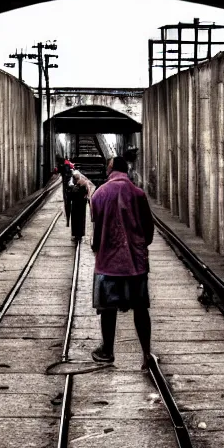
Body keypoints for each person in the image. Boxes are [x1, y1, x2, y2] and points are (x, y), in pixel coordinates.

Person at [90, 156, 154, 369]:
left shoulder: (99, 194)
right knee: (140, 308)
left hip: (109, 263)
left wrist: (98, 247)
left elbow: (97, 231)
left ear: (110, 169)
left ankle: (108, 350)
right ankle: (146, 353)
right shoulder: (138, 194)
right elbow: (149, 231)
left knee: (108, 309)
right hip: (136, 264)